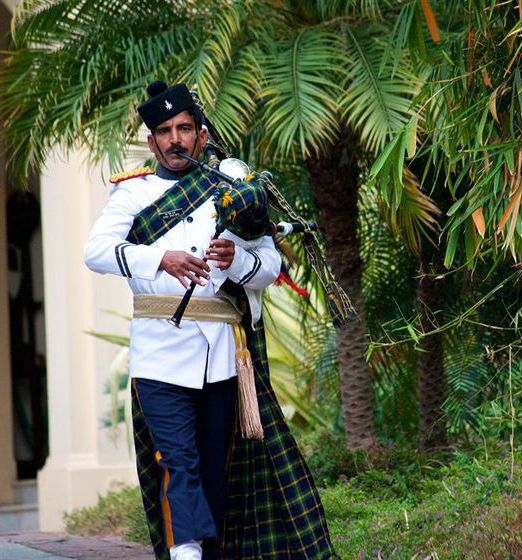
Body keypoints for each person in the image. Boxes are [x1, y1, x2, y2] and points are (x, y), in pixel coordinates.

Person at [84, 81, 337, 560]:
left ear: (201, 135)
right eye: (164, 131)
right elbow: (94, 252)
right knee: (178, 462)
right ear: (151, 141)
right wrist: (162, 259)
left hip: (222, 356)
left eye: (184, 128)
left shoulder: (232, 188)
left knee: (215, 473)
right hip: (159, 354)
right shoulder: (131, 195)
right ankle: (184, 553)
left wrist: (235, 262)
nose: (175, 138)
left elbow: (271, 267)